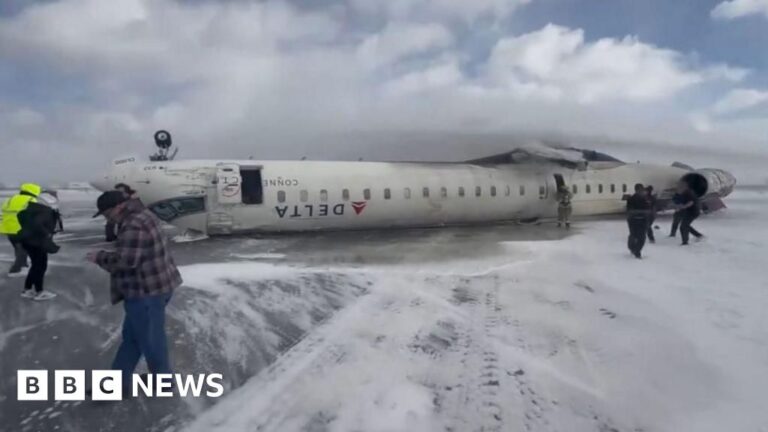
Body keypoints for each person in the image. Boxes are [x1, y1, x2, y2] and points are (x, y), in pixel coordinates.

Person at [87, 191, 182, 389]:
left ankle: (164, 382)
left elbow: (126, 261)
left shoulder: (133, 224)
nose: (107, 218)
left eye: (106, 213)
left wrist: (100, 256)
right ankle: (117, 384)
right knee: (133, 338)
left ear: (118, 207)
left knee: (151, 341)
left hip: (146, 291)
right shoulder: (143, 215)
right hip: (155, 285)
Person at [17, 192, 61, 300]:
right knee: (40, 266)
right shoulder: (44, 210)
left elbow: (20, 216)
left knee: (36, 265)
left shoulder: (31, 208)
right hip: (37, 242)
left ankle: (27, 289)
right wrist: (46, 233)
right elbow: (37, 223)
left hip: (28, 241)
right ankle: (39, 291)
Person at [1, 183, 41, 276]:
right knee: (23, 249)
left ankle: (23, 265)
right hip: (22, 229)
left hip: (9, 229)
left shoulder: (11, 199)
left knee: (19, 248)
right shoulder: (31, 200)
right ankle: (15, 269)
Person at [626, 183, 651, 259]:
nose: (642, 191)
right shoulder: (631, 199)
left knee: (642, 238)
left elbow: (648, 210)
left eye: (642, 190)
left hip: (642, 220)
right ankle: (633, 248)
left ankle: (637, 251)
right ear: (637, 190)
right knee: (634, 236)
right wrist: (642, 212)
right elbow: (630, 211)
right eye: (641, 190)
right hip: (634, 221)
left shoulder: (644, 199)